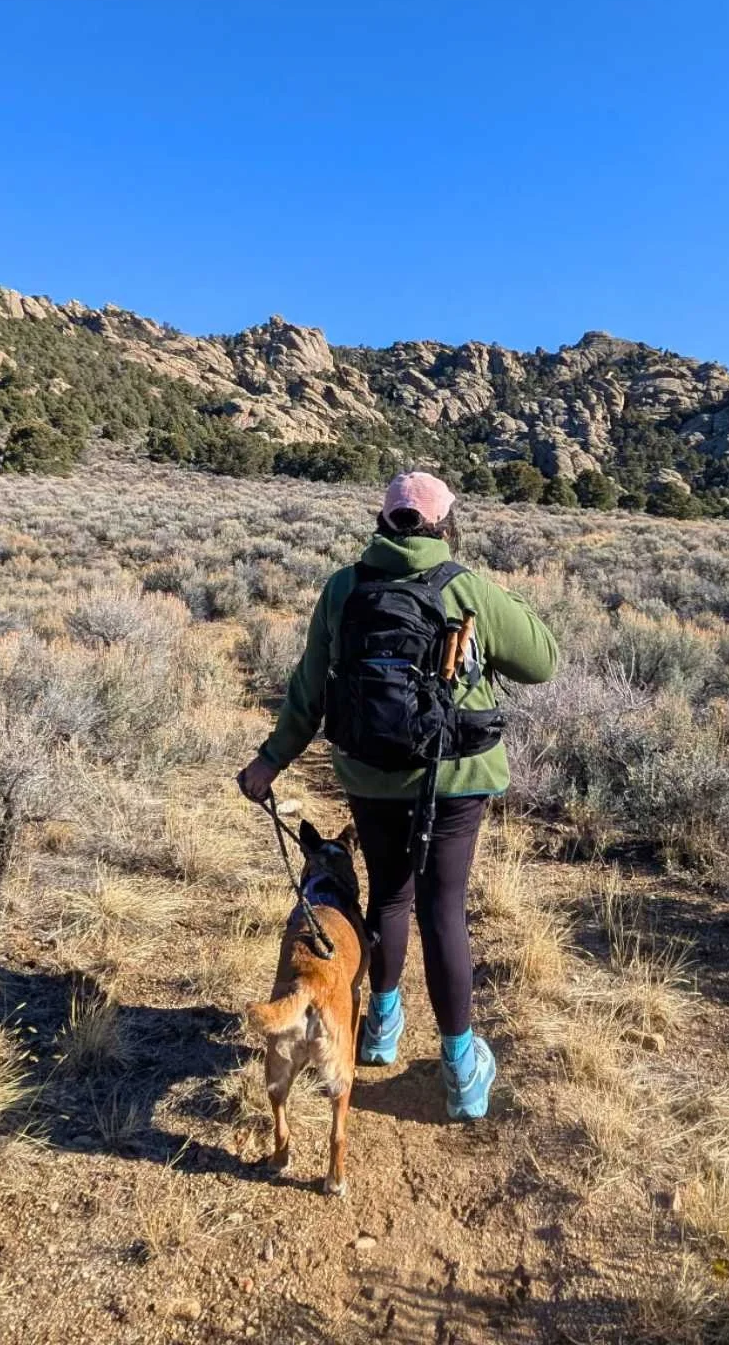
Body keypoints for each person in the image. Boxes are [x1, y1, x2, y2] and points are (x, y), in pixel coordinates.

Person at [236, 471, 559, 1121]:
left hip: (370, 776)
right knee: (443, 908)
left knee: (387, 894)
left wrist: (271, 760)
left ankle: (379, 1031)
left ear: (383, 522)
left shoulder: (344, 587)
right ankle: (463, 1074)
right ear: (445, 526)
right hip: (453, 778)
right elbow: (540, 660)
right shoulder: (464, 587)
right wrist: (494, 596)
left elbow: (308, 688)